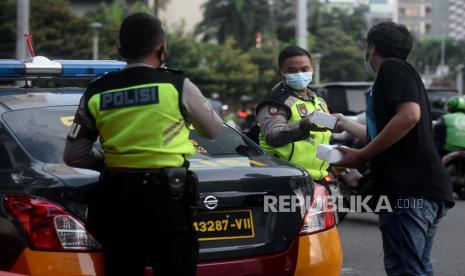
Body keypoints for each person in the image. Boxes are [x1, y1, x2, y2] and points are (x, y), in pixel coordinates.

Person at [63, 13, 223, 276]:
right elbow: (214, 129)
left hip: (118, 201)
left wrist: (111, 163)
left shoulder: (97, 91)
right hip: (168, 201)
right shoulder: (176, 84)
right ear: (161, 48)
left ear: (121, 50)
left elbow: (73, 156)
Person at [334, 22, 454, 275]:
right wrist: (343, 122)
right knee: (416, 268)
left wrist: (361, 156)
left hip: (408, 192)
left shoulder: (392, 69)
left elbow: (409, 116)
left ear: (372, 48)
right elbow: (381, 133)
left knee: (405, 270)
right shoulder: (404, 73)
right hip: (424, 190)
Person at [256, 45, 332, 181]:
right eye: (292, 71)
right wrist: (302, 125)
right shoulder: (276, 101)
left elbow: (323, 138)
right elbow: (273, 136)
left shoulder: (318, 100)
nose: (299, 74)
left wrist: (339, 167)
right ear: (280, 73)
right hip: (284, 178)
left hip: (317, 178)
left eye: (304, 69)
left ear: (312, 69)